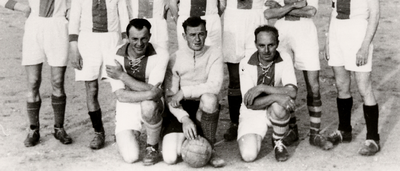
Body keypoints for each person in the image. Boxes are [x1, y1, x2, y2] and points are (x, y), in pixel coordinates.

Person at [0, 0, 84, 147]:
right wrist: (22, 7)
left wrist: (71, 9)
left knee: (57, 82)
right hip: (34, 28)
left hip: (58, 28)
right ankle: (34, 129)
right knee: (33, 82)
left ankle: (59, 128)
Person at [264, 0, 333, 150]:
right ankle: (292, 130)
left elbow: (311, 11)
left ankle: (315, 133)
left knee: (313, 85)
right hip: (282, 34)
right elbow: (268, 14)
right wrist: (295, 5)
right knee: (286, 84)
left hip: (305, 32)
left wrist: (281, 8)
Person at [325, 0, 381, 156]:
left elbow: (375, 14)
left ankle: (372, 139)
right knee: (341, 85)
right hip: (338, 31)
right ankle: (344, 130)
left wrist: (365, 44)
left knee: (363, 87)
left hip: (358, 31)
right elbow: (332, 9)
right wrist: (328, 40)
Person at [68, 0, 129, 149]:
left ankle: (124, 131)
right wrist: (74, 49)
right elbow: (74, 23)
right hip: (88, 42)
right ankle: (98, 132)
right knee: (91, 89)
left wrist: (125, 46)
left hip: (112, 41)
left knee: (119, 87)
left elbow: (125, 19)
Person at [222, 0, 271, 141]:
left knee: (255, 75)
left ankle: (255, 120)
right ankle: (235, 122)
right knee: (234, 79)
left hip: (255, 24)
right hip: (233, 25)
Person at [162, 17, 225, 168]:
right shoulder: (175, 58)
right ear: (184, 36)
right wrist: (184, 118)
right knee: (170, 158)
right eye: (192, 35)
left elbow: (214, 86)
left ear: (206, 34)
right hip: (180, 110)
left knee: (210, 98)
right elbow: (170, 97)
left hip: (202, 108)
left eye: (201, 34)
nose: (197, 39)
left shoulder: (214, 53)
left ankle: (210, 146)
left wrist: (184, 91)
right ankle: (181, 136)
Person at [105, 19, 169, 165]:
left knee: (148, 106)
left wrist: (122, 76)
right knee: (131, 157)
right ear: (127, 37)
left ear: (150, 37)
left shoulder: (161, 53)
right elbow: (120, 95)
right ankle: (133, 132)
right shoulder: (113, 55)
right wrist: (151, 92)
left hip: (151, 104)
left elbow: (154, 95)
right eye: (134, 39)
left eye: (143, 38)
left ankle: (152, 146)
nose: (139, 43)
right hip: (127, 104)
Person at [237, 25, 297, 162]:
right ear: (255, 45)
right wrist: (275, 96)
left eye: (271, 45)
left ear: (277, 43)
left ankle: (278, 142)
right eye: (261, 45)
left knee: (280, 104)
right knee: (248, 156)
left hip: (273, 108)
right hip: (252, 112)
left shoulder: (285, 58)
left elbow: (292, 91)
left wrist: (262, 88)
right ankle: (280, 128)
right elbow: (249, 103)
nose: (266, 50)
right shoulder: (245, 63)